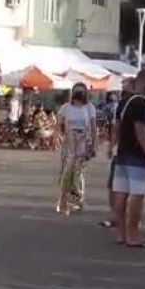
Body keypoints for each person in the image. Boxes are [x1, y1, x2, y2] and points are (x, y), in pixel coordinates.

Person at [111, 69, 145, 248]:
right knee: (137, 195)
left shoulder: (124, 101)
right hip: (136, 156)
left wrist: (112, 146)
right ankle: (133, 234)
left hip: (122, 153)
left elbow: (116, 126)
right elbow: (141, 132)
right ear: (144, 81)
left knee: (120, 194)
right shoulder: (142, 103)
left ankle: (120, 234)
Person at [56, 83, 97, 215]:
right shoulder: (65, 107)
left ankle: (76, 200)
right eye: (77, 90)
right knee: (66, 171)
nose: (79, 92)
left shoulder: (89, 107)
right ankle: (63, 201)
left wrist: (94, 144)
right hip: (69, 140)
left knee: (77, 172)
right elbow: (58, 124)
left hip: (83, 140)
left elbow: (93, 126)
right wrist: (58, 138)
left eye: (82, 90)